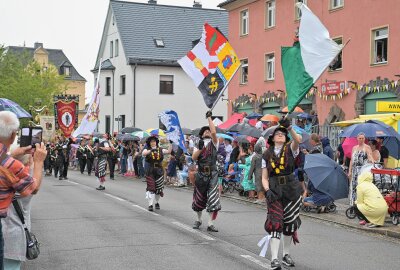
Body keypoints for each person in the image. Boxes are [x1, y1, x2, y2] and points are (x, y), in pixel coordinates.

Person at [0, 111, 47, 268]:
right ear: (14, 135)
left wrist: (13, 153)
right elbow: (33, 188)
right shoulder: (12, 167)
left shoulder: (6, 163)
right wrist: (38, 162)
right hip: (11, 239)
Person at [261, 118, 302, 269]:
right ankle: (274, 259)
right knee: (276, 223)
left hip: (291, 190)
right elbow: (264, 177)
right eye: (277, 133)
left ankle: (285, 255)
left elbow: (297, 140)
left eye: (282, 134)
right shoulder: (266, 155)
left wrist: (289, 127)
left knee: (290, 224)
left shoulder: (290, 149)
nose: (280, 135)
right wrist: (267, 190)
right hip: (274, 190)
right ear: (272, 138)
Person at [192, 111, 221, 232]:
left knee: (213, 198)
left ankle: (210, 223)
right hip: (201, 174)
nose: (208, 132)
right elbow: (194, 157)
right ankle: (198, 220)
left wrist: (209, 117)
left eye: (208, 130)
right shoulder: (198, 144)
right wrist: (200, 148)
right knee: (199, 198)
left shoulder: (215, 142)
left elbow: (214, 132)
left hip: (213, 173)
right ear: (202, 134)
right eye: (205, 131)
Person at [142, 136, 172, 211]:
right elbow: (144, 153)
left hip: (159, 170)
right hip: (150, 170)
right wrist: (151, 150)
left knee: (159, 188)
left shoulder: (160, 149)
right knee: (151, 188)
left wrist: (171, 143)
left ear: (156, 142)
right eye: (151, 141)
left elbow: (168, 151)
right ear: (149, 143)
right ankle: (150, 205)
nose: (153, 143)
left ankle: (157, 202)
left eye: (154, 141)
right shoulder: (147, 149)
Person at [348, 133, 373, 204]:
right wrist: (350, 171)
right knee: (353, 187)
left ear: (365, 139)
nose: (361, 140)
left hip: (363, 170)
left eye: (363, 138)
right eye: (360, 138)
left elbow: (370, 156)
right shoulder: (354, 148)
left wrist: (371, 160)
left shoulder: (367, 147)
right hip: (355, 170)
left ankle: (360, 204)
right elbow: (351, 160)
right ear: (357, 139)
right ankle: (353, 204)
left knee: (361, 187)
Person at [249, 137, 266, 203]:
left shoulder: (255, 157)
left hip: (257, 172)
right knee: (263, 185)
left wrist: (249, 176)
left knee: (258, 185)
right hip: (264, 172)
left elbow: (252, 167)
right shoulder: (264, 155)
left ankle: (260, 198)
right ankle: (263, 198)